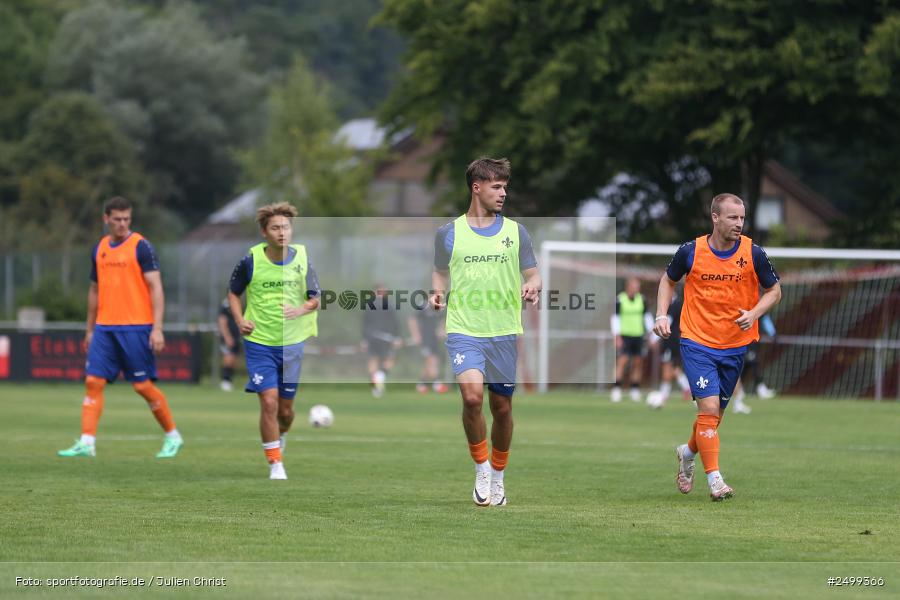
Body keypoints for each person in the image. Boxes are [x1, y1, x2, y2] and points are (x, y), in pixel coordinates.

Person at [653, 193, 781, 501]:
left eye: (742, 218)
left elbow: (774, 291)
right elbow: (667, 281)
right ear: (715, 218)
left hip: (735, 346)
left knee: (712, 419)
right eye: (732, 218)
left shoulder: (753, 253)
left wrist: (754, 313)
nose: (739, 223)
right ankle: (715, 480)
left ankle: (687, 453)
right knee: (708, 410)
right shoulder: (690, 251)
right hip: (697, 341)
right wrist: (661, 314)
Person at [430, 157, 541, 507]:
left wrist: (534, 287)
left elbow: (533, 274)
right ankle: (480, 468)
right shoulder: (447, 234)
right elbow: (439, 273)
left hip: (504, 332)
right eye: (496, 186)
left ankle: (498, 474)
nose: (503, 193)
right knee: (473, 397)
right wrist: (436, 291)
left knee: (502, 409)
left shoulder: (516, 232)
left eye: (505, 186)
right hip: (464, 329)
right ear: (476, 187)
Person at [58, 196, 183, 459]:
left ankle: (173, 435)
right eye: (117, 219)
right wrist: (90, 329)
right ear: (106, 219)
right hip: (104, 328)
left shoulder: (141, 246)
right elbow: (94, 291)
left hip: (136, 327)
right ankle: (87, 443)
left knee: (142, 386)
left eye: (127, 219)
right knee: (93, 382)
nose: (123, 224)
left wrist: (157, 328)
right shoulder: (100, 248)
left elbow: (156, 288)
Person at [227, 202, 320, 480]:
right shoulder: (250, 261)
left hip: (292, 344)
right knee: (268, 402)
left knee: (286, 411)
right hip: (259, 342)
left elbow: (316, 298)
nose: (282, 233)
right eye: (276, 228)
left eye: (286, 227)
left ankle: (282, 435)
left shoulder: (302, 258)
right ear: (264, 232)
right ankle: (275, 464)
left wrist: (300, 309)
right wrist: (239, 319)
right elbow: (233, 293)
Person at [610, 277, 654, 402]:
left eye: (638, 286)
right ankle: (616, 389)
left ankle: (635, 389)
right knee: (622, 361)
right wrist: (616, 336)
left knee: (638, 362)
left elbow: (646, 316)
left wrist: (651, 332)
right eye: (634, 286)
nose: (636, 289)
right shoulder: (620, 299)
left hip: (638, 335)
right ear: (628, 286)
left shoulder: (642, 299)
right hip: (624, 335)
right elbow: (615, 318)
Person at [646, 291, 692, 408]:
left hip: (671, 341)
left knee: (667, 368)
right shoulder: (674, 303)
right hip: (673, 340)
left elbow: (666, 322)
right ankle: (687, 388)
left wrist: (653, 338)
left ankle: (663, 396)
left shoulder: (675, 304)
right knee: (674, 369)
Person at [730, 314, 777, 414]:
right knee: (742, 367)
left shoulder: (757, 307)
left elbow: (765, 318)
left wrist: (772, 333)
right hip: (739, 341)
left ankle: (741, 397)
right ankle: (758, 388)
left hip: (747, 340)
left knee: (744, 366)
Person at [362, 285, 401, 398]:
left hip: (374, 337)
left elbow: (364, 324)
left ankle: (376, 382)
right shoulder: (387, 305)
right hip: (383, 338)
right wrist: (397, 337)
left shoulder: (371, 305)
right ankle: (380, 377)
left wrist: (364, 339)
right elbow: (395, 323)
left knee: (375, 359)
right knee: (385, 360)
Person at [407, 302, 449, 394]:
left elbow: (442, 321)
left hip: (434, 340)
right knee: (431, 360)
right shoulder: (423, 306)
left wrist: (441, 330)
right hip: (425, 340)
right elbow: (412, 319)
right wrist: (415, 334)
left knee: (430, 362)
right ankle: (437, 383)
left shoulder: (439, 307)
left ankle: (421, 384)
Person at [217, 294, 241, 391]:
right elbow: (222, 321)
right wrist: (227, 337)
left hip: (236, 337)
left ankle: (229, 380)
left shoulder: (238, 303)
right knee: (228, 358)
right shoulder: (226, 304)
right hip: (228, 337)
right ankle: (225, 380)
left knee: (233, 359)